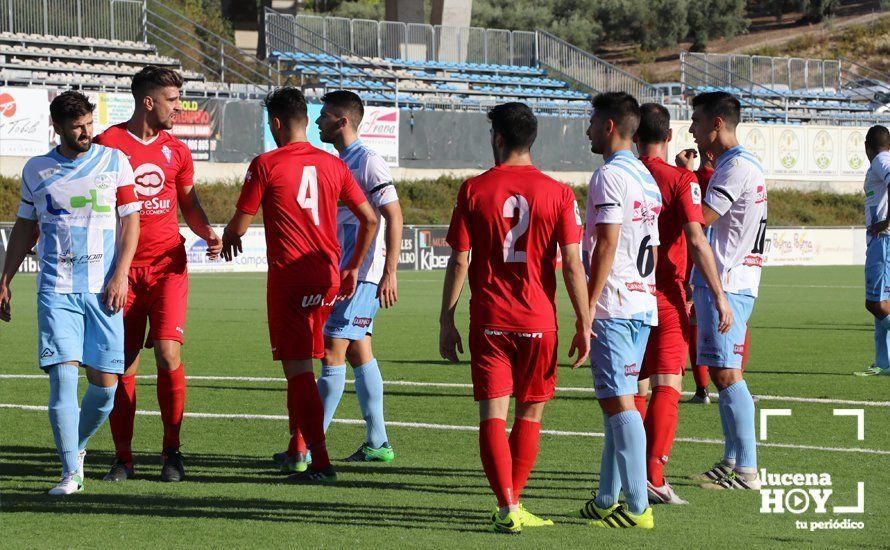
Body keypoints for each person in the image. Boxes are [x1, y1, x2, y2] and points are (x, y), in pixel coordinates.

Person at [439, 102, 590, 534]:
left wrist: (446, 320)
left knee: (492, 415)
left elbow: (459, 262)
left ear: (498, 138)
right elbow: (574, 265)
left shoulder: (473, 190)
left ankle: (507, 506)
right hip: (538, 321)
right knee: (530, 416)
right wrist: (584, 322)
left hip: (489, 319)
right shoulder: (559, 193)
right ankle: (514, 504)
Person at [221, 87, 378, 483]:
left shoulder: (266, 163)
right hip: (327, 275)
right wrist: (353, 265)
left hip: (290, 278)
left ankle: (319, 461)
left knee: (298, 372)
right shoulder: (334, 165)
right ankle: (296, 450)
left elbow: (240, 223)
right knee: (308, 365)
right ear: (306, 122)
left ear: (275, 123)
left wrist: (228, 236)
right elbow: (371, 219)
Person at [0, 91, 141, 494]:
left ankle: (75, 447)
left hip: (104, 289)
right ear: (57, 127)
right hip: (56, 288)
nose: (85, 132)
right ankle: (69, 473)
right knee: (62, 379)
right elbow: (25, 228)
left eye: (89, 124)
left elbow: (131, 223)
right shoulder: (37, 169)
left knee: (105, 390)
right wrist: (5, 279)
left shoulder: (115, 161)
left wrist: (122, 273)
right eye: (76, 126)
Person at [94, 65, 221, 482]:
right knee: (123, 364)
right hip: (121, 273)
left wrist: (207, 233)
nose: (178, 109)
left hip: (169, 267)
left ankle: (172, 453)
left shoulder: (177, 151)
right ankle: (124, 459)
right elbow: (91, 206)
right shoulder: (107, 145)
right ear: (148, 101)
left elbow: (189, 202)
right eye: (171, 100)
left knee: (168, 353)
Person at [632, 103, 733, 505]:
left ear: (633, 134)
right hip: (668, 294)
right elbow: (696, 237)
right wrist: (719, 294)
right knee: (668, 384)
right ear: (669, 136)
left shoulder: (619, 175)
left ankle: (629, 474)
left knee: (634, 387)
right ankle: (654, 476)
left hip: (626, 295)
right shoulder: (679, 180)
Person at [578, 92, 659, 529]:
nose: (587, 129)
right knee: (618, 403)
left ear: (610, 126)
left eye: (592, 122)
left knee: (618, 404)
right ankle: (607, 499)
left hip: (614, 303)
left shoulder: (609, 175)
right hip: (641, 301)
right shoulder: (645, 176)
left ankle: (638, 506)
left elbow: (607, 243)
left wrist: (587, 306)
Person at [310, 90, 403, 464]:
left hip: (360, 276)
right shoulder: (340, 161)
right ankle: (378, 443)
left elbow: (394, 215)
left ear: (342, 121)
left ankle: (308, 445)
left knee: (332, 350)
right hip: (346, 274)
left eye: (325, 115)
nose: (318, 121)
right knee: (360, 350)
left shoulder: (367, 161)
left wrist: (389, 272)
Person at [682, 91, 767, 490]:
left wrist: (671, 194)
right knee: (721, 373)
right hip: (728, 279)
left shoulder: (736, 167)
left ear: (717, 123)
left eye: (697, 121)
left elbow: (702, 218)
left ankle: (747, 470)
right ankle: (733, 459)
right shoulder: (736, 164)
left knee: (729, 373)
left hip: (729, 281)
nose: (692, 129)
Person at [854, 125, 890, 376]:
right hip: (881, 239)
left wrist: (887, 222)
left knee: (875, 303)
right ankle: (884, 362)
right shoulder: (882, 160)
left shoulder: (880, 160)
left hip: (884, 239)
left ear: (867, 146)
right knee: (884, 303)